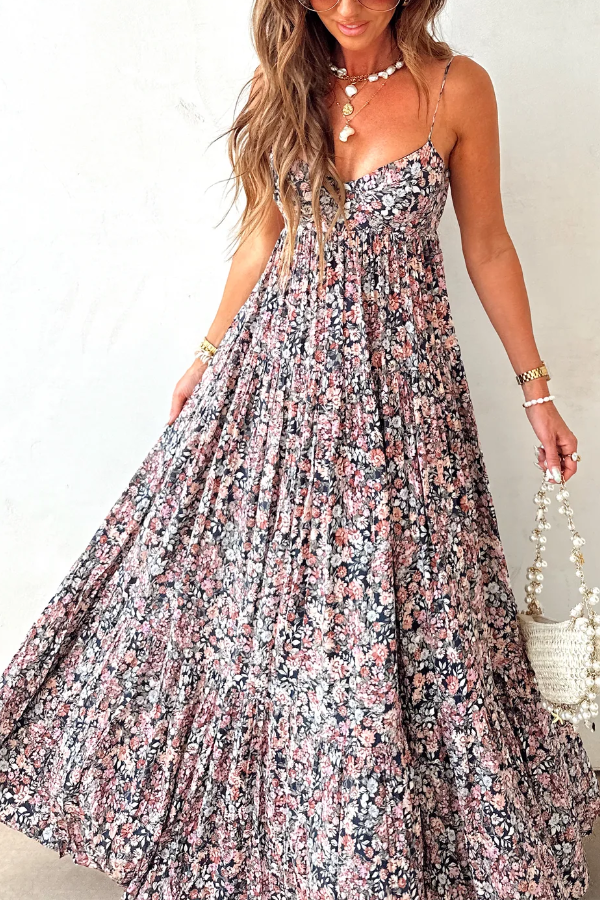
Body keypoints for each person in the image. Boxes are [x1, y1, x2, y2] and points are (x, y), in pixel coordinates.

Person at [0, 0, 599, 897]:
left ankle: (381, 849)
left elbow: (488, 246)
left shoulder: (457, 89)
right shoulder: (281, 90)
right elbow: (261, 236)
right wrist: (206, 354)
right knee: (235, 602)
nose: (348, 7)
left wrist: (537, 391)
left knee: (410, 614)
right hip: (276, 390)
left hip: (405, 405)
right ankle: (274, 844)